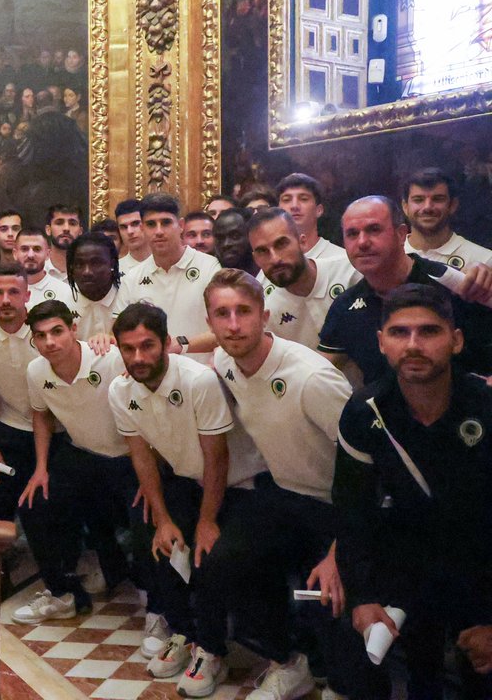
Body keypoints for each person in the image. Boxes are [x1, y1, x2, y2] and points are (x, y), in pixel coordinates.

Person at [201, 269, 372, 700]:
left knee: (329, 595)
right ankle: (288, 661)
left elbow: (370, 466)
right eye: (222, 314)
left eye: (244, 312)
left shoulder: (312, 378)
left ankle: (343, 685)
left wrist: (339, 549)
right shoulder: (224, 362)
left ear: (266, 315)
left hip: (342, 505)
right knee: (227, 561)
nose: (234, 324)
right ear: (209, 322)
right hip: (283, 494)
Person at [333, 284, 492, 698]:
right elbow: (352, 511)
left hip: (479, 562)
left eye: (429, 332)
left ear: (455, 341)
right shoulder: (364, 412)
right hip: (407, 557)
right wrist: (362, 598)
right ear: (381, 342)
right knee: (391, 663)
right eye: (400, 333)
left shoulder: (486, 407)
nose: (414, 345)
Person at [108, 302, 265, 696]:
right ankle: (182, 631)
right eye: (129, 349)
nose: (138, 357)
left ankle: (212, 650)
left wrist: (206, 520)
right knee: (153, 537)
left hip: (240, 485)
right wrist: (163, 519)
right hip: (185, 479)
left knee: (205, 553)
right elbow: (141, 455)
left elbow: (218, 458)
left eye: (147, 346)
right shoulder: (120, 389)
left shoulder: (198, 380)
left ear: (165, 343)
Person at [13, 299, 137, 624]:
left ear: (74, 330)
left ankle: (158, 610)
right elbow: (41, 417)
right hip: (82, 453)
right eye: (40, 336)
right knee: (35, 504)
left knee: (146, 525)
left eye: (57, 331)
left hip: (130, 459)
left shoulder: (108, 358)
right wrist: (41, 468)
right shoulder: (36, 371)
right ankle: (63, 594)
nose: (50, 342)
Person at [318, 196, 492, 384]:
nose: (362, 242)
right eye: (352, 234)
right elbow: (318, 373)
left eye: (374, 229)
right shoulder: (345, 306)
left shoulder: (451, 283)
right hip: (385, 412)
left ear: (401, 234)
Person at [113, 193, 222, 360]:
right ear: (142, 228)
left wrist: (181, 345)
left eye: (166, 223)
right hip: (153, 379)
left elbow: (224, 329)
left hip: (201, 376)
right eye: (151, 224)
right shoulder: (132, 278)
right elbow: (119, 334)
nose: (158, 231)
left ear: (181, 225)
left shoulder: (209, 267)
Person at [248, 208, 358, 351]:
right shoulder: (266, 309)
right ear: (255, 259)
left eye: (281, 244)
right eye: (263, 251)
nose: (275, 259)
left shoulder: (350, 272)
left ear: (302, 242)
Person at [401, 167, 492, 269]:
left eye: (437, 199)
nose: (427, 207)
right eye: (418, 200)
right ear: (405, 207)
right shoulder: (389, 256)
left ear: (453, 205)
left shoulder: (485, 260)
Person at [276, 173, 346, 261]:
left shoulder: (342, 260)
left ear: (319, 210)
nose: (294, 206)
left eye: (303, 199)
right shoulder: (272, 263)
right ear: (278, 210)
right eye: (287, 200)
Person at [67, 231, 120, 339]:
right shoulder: (63, 304)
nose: (87, 272)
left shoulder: (128, 297)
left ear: (112, 263)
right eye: (79, 264)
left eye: (96, 263)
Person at [15, 227, 68, 308]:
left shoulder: (64, 292)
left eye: (37, 249)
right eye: (24, 249)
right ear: (15, 253)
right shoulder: (1, 289)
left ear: (48, 254)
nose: (30, 255)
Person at [213, 208, 259, 275]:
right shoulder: (209, 276)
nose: (226, 244)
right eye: (220, 238)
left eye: (235, 236)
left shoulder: (270, 274)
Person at [44, 204, 83, 279]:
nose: (66, 228)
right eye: (59, 223)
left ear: (80, 231)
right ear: (48, 230)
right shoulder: (37, 271)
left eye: (72, 223)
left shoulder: (87, 272)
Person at [114, 198, 151, 275]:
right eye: (123, 227)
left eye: (135, 224)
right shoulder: (115, 270)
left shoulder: (165, 264)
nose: (129, 231)